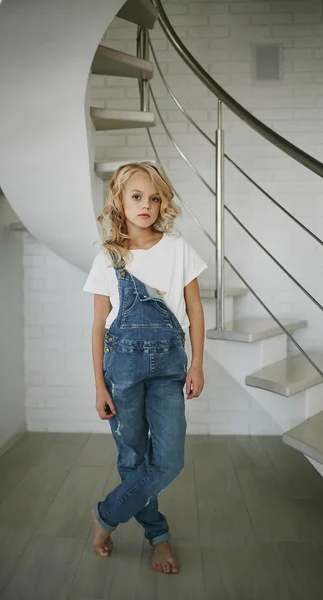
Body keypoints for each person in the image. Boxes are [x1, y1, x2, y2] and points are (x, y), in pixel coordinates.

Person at [83, 161, 207, 575]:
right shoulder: (109, 257)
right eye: (136, 196)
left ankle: (105, 514)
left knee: (168, 460)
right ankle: (158, 535)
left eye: (154, 198)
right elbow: (99, 326)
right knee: (133, 458)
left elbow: (194, 310)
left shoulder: (178, 248)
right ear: (119, 200)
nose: (146, 205)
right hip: (121, 371)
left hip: (170, 366)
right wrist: (99, 385)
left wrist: (198, 364)